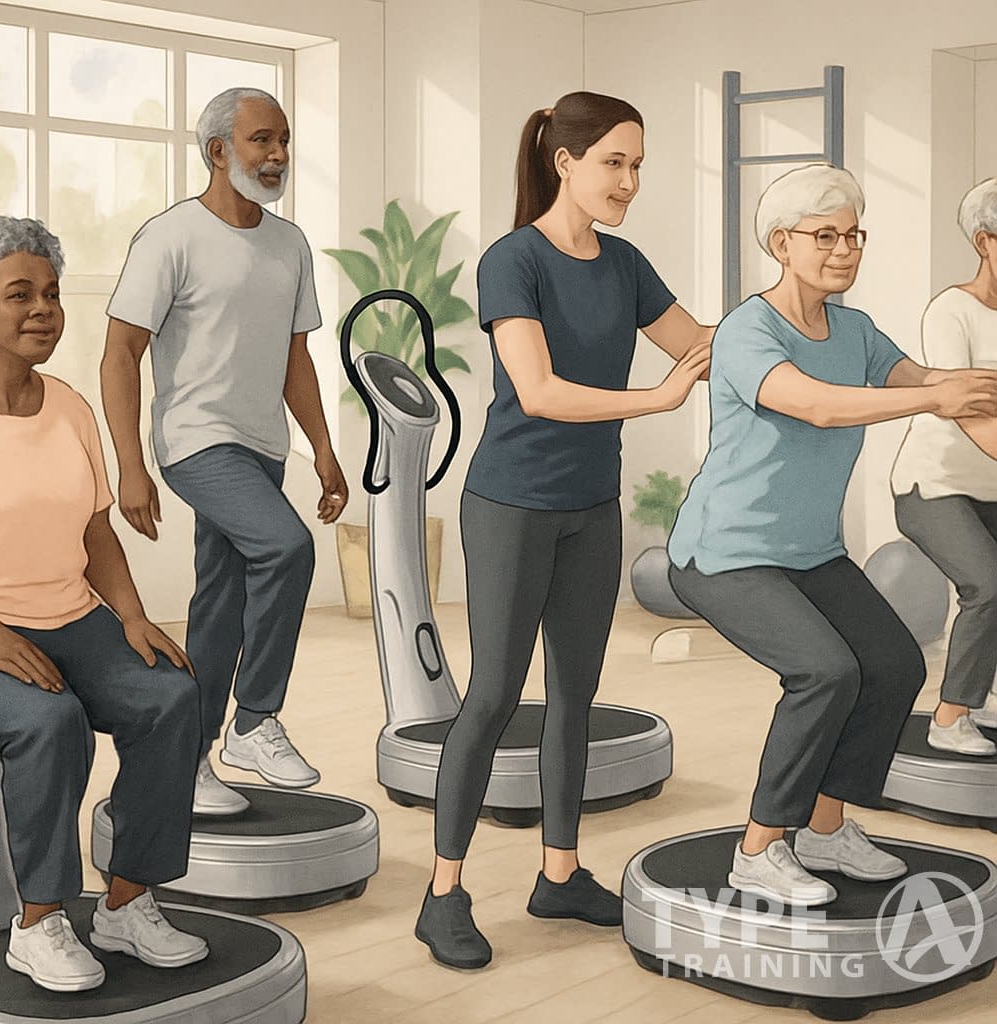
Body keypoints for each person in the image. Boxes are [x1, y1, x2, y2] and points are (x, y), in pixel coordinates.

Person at [415, 91, 712, 970]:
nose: (628, 181)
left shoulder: (624, 264)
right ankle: (444, 894)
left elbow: (699, 341)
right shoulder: (514, 261)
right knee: (495, 695)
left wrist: (793, 323)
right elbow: (539, 391)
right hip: (511, 504)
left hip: (592, 506)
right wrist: (653, 399)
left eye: (638, 166)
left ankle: (559, 873)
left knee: (575, 696)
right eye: (615, 162)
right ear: (566, 162)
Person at [666, 164, 997, 907]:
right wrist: (934, 392)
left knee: (893, 665)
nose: (845, 249)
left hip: (808, 552)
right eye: (826, 235)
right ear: (782, 243)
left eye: (854, 235)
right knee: (825, 672)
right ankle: (758, 848)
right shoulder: (749, 330)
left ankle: (823, 829)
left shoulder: (854, 330)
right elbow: (813, 405)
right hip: (724, 553)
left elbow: (930, 384)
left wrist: (964, 391)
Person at [0, 216, 207, 992]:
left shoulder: (69, 407)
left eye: (50, 293)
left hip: (70, 612)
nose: (42, 309)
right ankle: (38, 924)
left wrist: (133, 618)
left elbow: (96, 528)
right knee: (49, 721)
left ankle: (126, 904)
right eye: (18, 295)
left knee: (171, 697)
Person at [101, 87, 347, 817]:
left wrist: (322, 449)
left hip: (263, 446)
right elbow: (120, 353)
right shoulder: (170, 237)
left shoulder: (289, 243)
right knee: (287, 547)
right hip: (196, 442)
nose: (276, 157)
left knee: (219, 605)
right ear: (218, 151)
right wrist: (129, 465)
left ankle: (191, 760)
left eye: (284, 141)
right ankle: (256, 717)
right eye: (260, 142)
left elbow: (295, 359)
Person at [891, 178, 997, 755]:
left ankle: (987, 690)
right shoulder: (951, 313)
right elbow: (969, 415)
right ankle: (950, 716)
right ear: (985, 242)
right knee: (989, 584)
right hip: (937, 486)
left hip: (992, 489)